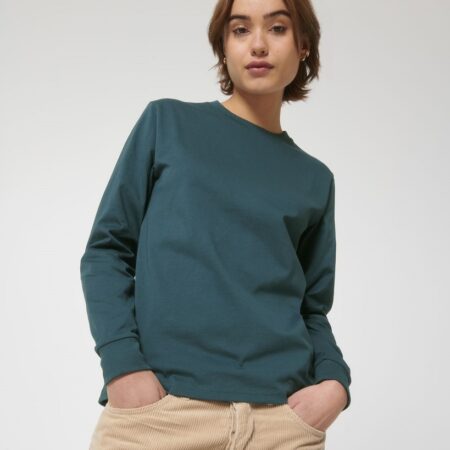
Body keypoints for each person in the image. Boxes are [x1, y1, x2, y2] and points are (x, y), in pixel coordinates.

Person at [80, 0, 352, 448]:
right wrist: (122, 366)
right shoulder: (167, 123)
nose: (258, 45)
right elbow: (107, 251)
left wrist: (335, 384)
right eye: (240, 30)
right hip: (162, 416)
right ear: (223, 46)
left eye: (278, 28)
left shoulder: (315, 179)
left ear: (303, 45)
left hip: (280, 423)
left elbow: (311, 308)